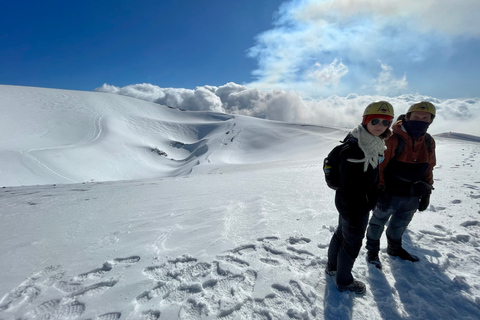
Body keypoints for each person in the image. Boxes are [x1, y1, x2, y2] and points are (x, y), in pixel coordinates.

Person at [326, 101, 394, 294]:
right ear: (366, 120)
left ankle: (332, 267)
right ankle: (344, 281)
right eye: (375, 121)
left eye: (386, 122)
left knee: (341, 234)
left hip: (349, 204)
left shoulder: (367, 141)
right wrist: (365, 203)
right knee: (352, 243)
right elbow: (352, 185)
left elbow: (363, 179)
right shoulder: (357, 149)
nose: (380, 125)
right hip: (355, 206)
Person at [365, 101, 436, 269]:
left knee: (401, 223)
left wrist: (427, 190)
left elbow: (429, 166)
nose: (420, 120)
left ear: (431, 121)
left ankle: (394, 248)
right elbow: (379, 166)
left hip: (412, 193)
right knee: (377, 222)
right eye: (416, 117)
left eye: (425, 118)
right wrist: (378, 189)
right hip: (389, 192)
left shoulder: (428, 141)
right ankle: (372, 252)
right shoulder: (392, 138)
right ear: (408, 117)